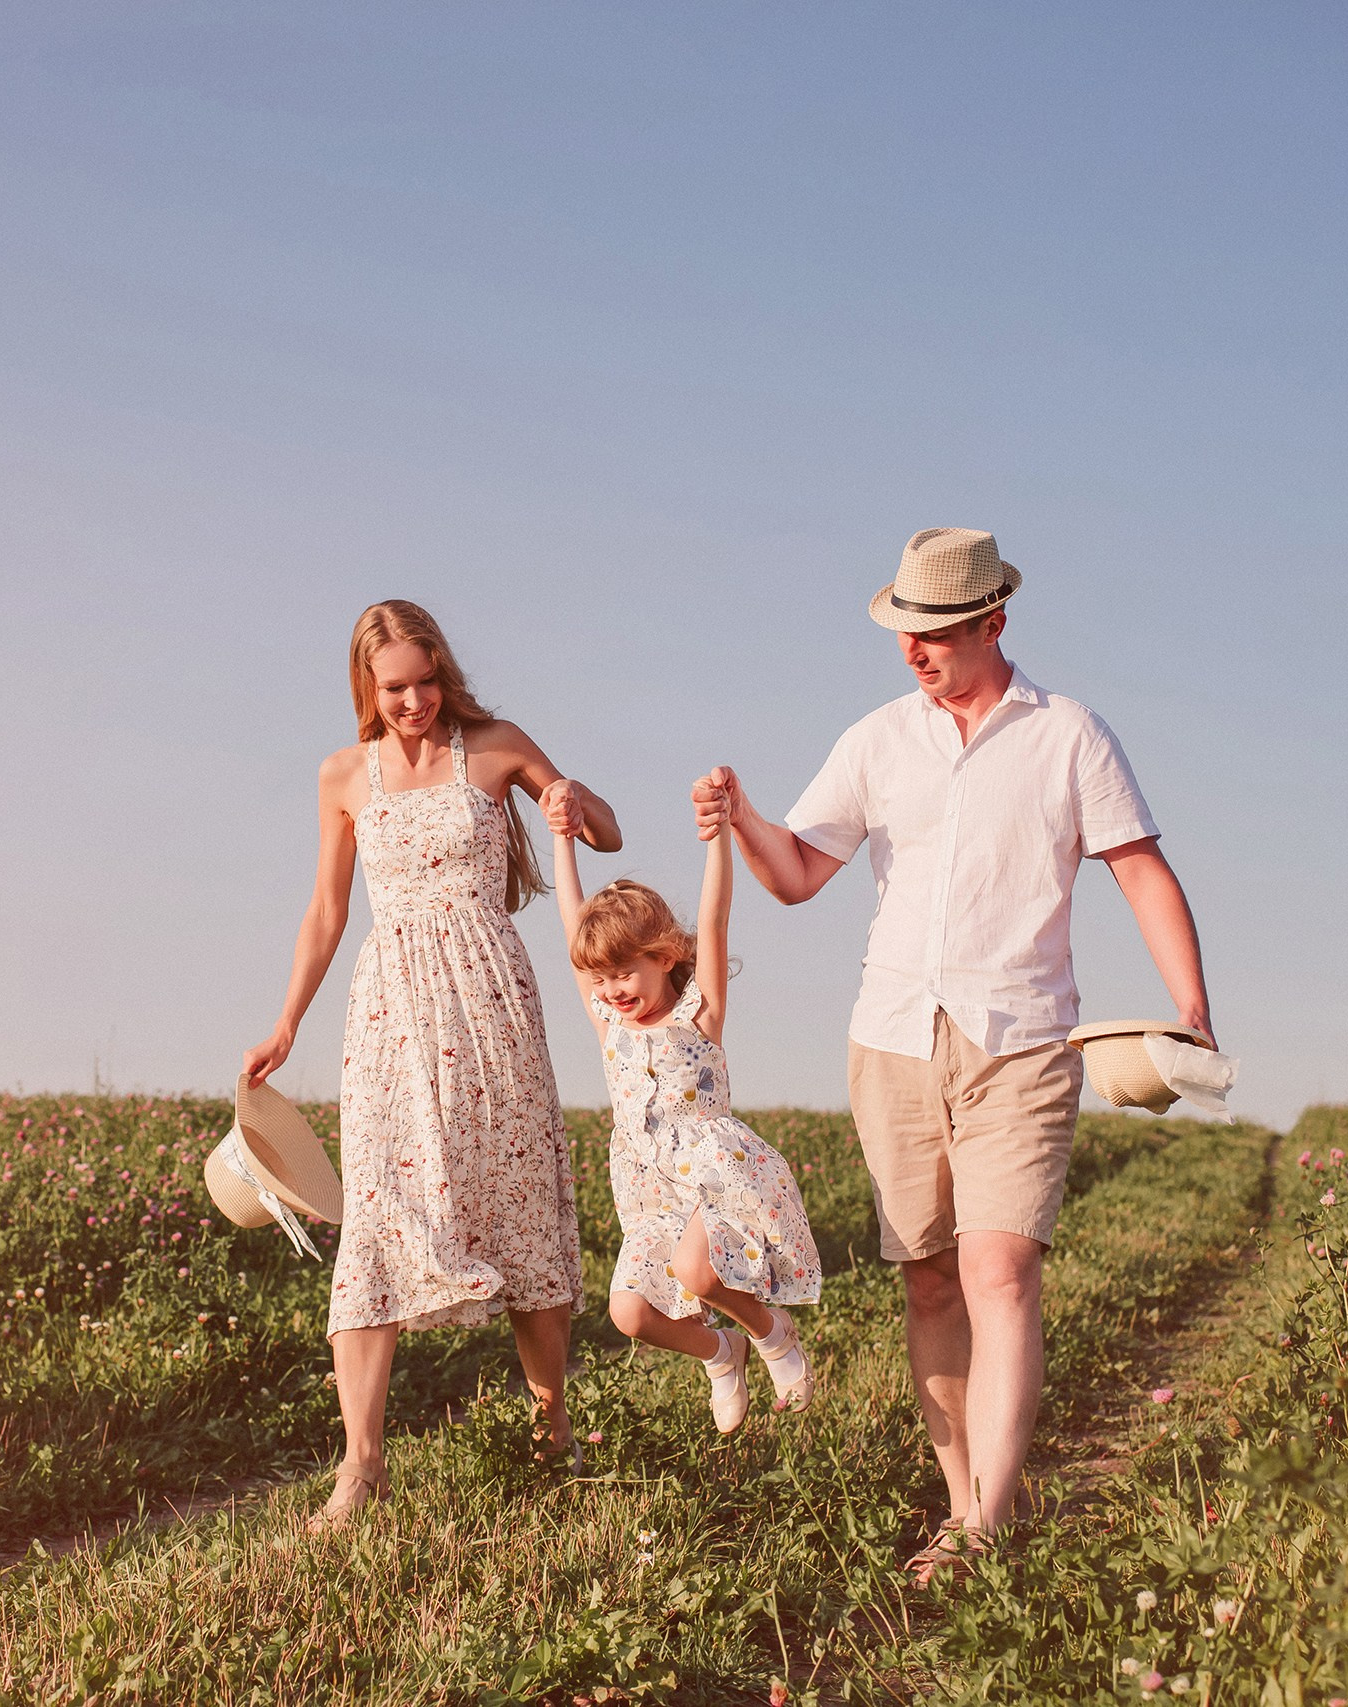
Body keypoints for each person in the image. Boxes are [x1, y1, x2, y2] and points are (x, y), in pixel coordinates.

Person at [692, 527, 1212, 1578]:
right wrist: (742, 817)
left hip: (1020, 1036)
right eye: (903, 632)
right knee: (929, 1282)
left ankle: (981, 1526)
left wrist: (1189, 1003)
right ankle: (968, 1505)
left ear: (993, 622)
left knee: (999, 1268)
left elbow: (1140, 870)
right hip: (891, 1037)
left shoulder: (1069, 735)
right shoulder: (877, 740)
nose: (915, 652)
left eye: (934, 632)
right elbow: (796, 876)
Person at [243, 599, 622, 1531]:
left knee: (520, 1200)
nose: (414, 701)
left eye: (425, 681)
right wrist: (285, 1021)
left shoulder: (494, 746)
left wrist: (575, 800)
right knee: (378, 1209)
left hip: (493, 997)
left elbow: (604, 832)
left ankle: (552, 1433)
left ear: (444, 672)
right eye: (395, 687)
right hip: (391, 1009)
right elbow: (328, 912)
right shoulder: (343, 774)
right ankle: (359, 1467)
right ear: (368, 689)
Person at [546, 796, 823, 1433]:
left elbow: (714, 918)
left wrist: (719, 836)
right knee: (630, 1313)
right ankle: (720, 1353)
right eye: (602, 978)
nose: (614, 989)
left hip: (713, 1175)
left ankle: (770, 1332)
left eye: (626, 971)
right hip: (650, 1191)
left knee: (698, 1273)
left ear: (666, 957)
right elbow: (572, 926)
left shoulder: (700, 1013)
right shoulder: (610, 1023)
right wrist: (562, 839)